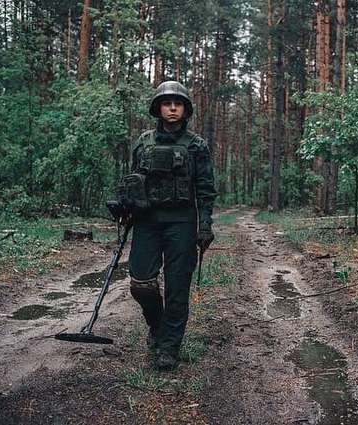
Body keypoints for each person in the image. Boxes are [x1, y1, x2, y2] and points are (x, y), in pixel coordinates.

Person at [118, 81, 216, 370]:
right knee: (141, 284)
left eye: (178, 103)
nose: (172, 108)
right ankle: (158, 326)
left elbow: (206, 189)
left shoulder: (197, 146)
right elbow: (134, 181)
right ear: (158, 108)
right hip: (147, 222)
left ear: (185, 109)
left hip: (182, 223)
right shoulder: (144, 142)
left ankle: (169, 347)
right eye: (166, 103)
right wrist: (125, 206)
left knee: (177, 288)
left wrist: (205, 225)